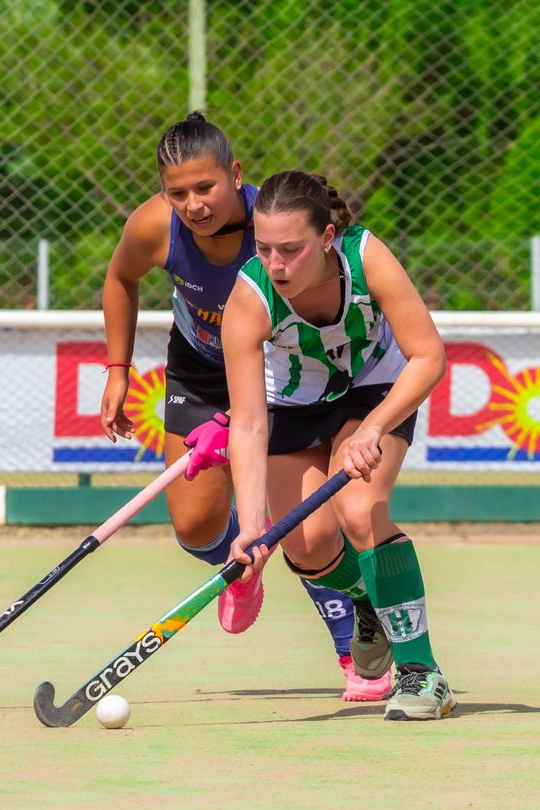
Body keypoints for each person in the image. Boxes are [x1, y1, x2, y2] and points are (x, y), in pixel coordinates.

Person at [100, 114, 391, 701]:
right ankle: (244, 564)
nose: (194, 205)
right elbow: (119, 278)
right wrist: (118, 369)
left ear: (234, 175)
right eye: (177, 193)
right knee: (194, 525)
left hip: (283, 370)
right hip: (200, 368)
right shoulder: (154, 227)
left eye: (205, 187)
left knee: (301, 525)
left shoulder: (275, 228)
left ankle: (351, 643)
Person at [222, 170, 457, 721]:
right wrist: (251, 528)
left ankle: (422, 673)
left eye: (291, 249)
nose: (275, 264)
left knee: (358, 510)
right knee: (306, 544)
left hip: (374, 389)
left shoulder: (366, 257)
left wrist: (373, 427)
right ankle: (367, 597)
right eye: (263, 248)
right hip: (294, 403)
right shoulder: (250, 298)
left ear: (327, 237)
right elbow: (249, 424)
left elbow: (429, 356)